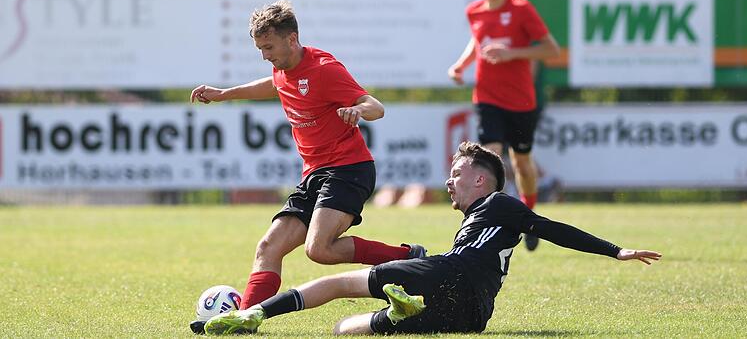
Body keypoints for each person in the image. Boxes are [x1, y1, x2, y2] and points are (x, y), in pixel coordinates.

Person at [200, 142, 662, 336]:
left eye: (458, 174)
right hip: (472, 314)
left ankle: (253, 315)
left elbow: (553, 229)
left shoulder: (499, 203)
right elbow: (545, 230)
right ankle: (400, 308)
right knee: (345, 329)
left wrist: (614, 250)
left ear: (482, 182)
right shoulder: (490, 215)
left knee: (339, 283)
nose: (449, 182)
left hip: (450, 274)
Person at [189, 0, 426, 324]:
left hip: (349, 168)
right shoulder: (282, 68)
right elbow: (273, 85)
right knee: (268, 247)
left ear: (292, 39)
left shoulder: (325, 69)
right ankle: (243, 319)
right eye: (260, 49)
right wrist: (224, 94)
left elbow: (376, 106)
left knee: (320, 249)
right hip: (315, 174)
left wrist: (358, 110)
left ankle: (408, 257)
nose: (265, 56)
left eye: (269, 47)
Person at [448, 0, 560, 251]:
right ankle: (488, 221)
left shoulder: (522, 9)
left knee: (522, 163)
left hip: (521, 101)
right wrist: (461, 65)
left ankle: (530, 216)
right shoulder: (474, 11)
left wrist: (512, 54)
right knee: (490, 158)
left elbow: (551, 50)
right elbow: (477, 42)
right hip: (487, 97)